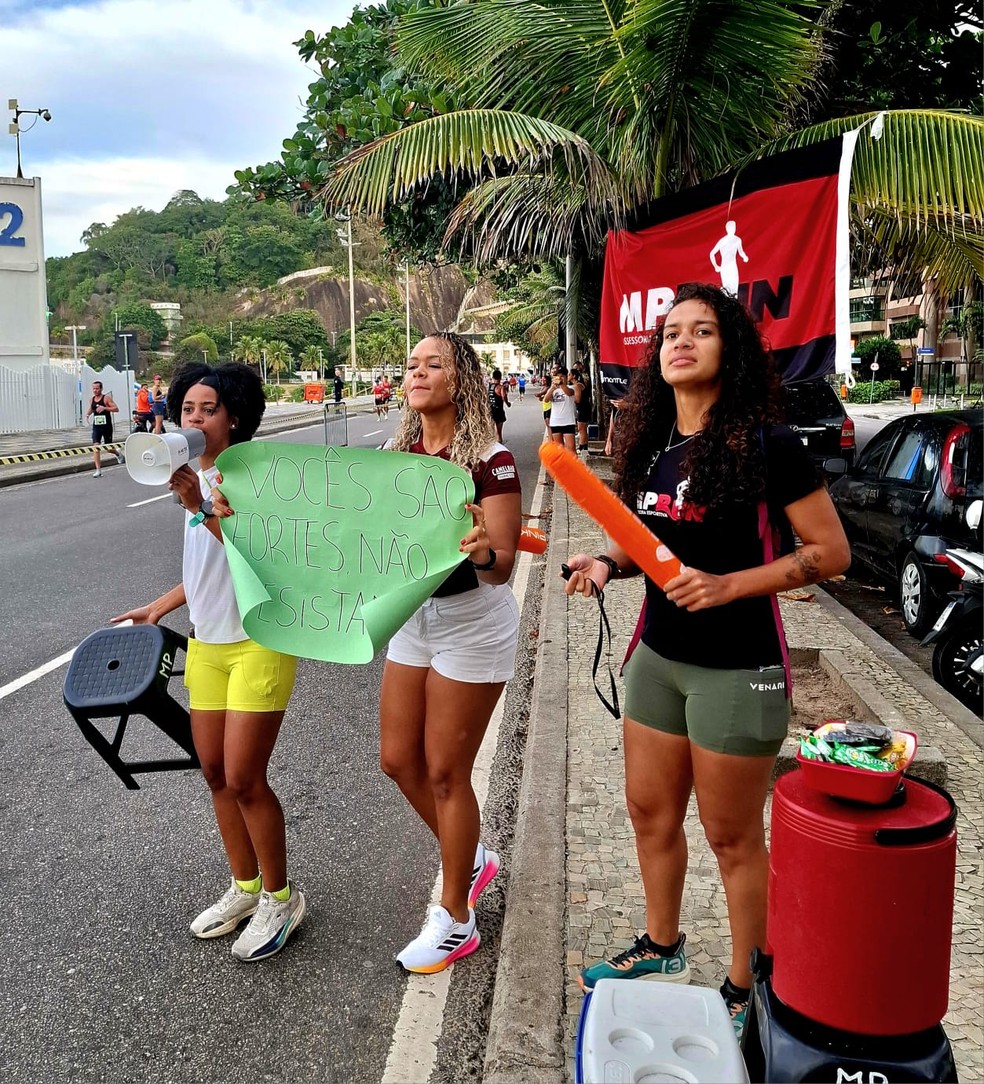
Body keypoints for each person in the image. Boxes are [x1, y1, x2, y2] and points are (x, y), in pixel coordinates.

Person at [562, 283, 850, 1036]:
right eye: (670, 334)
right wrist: (603, 560)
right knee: (649, 813)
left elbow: (831, 553)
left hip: (738, 668)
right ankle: (662, 946)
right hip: (657, 659)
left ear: (732, 351)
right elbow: (650, 545)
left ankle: (746, 982)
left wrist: (732, 586)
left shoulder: (769, 446)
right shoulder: (653, 448)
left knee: (731, 836)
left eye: (702, 331)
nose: (680, 342)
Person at [110, 362, 305, 962]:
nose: (193, 419)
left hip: (259, 642)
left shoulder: (253, 479)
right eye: (186, 409)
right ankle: (245, 888)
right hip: (208, 644)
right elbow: (204, 573)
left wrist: (201, 504)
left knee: (246, 777)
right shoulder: (191, 478)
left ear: (235, 417)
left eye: (208, 409)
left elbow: (261, 557)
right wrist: (157, 607)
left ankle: (281, 897)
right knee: (216, 773)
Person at [380, 331, 521, 974]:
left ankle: (456, 917)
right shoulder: (396, 454)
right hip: (415, 619)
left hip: (473, 622)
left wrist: (483, 549)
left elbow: (502, 567)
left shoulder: (490, 461)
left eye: (434, 364)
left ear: (459, 379)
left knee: (445, 771)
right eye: (412, 364)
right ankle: (472, 858)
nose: (417, 372)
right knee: (395, 759)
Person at [85, 380, 118, 477]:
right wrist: (87, 414)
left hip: (106, 426)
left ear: (101, 389)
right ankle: (98, 470)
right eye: (93, 389)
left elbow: (116, 409)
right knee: (96, 446)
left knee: (108, 448)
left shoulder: (106, 398)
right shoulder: (92, 399)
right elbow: (92, 408)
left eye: (97, 388)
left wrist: (105, 408)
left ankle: (117, 453)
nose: (95, 390)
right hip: (97, 426)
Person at [545, 364, 577, 452]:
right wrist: (552, 388)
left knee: (571, 449)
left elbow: (569, 393)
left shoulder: (572, 388)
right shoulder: (553, 390)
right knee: (560, 449)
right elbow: (546, 400)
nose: (560, 378)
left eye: (562, 376)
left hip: (568, 422)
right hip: (555, 422)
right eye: (558, 377)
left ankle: (572, 465)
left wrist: (562, 384)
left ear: (566, 377)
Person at [572, 366, 593, 453]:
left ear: (573, 376)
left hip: (582, 408)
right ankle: (584, 445)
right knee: (582, 428)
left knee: (581, 428)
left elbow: (577, 399)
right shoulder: (578, 384)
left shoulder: (577, 385)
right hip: (583, 408)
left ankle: (582, 446)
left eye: (569, 374)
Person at [487, 367, 510, 442]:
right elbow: (504, 397)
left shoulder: (489, 386)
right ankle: (499, 443)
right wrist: (508, 403)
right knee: (499, 433)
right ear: (500, 378)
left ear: (493, 377)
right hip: (498, 410)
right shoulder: (500, 387)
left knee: (491, 430)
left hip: (490, 410)